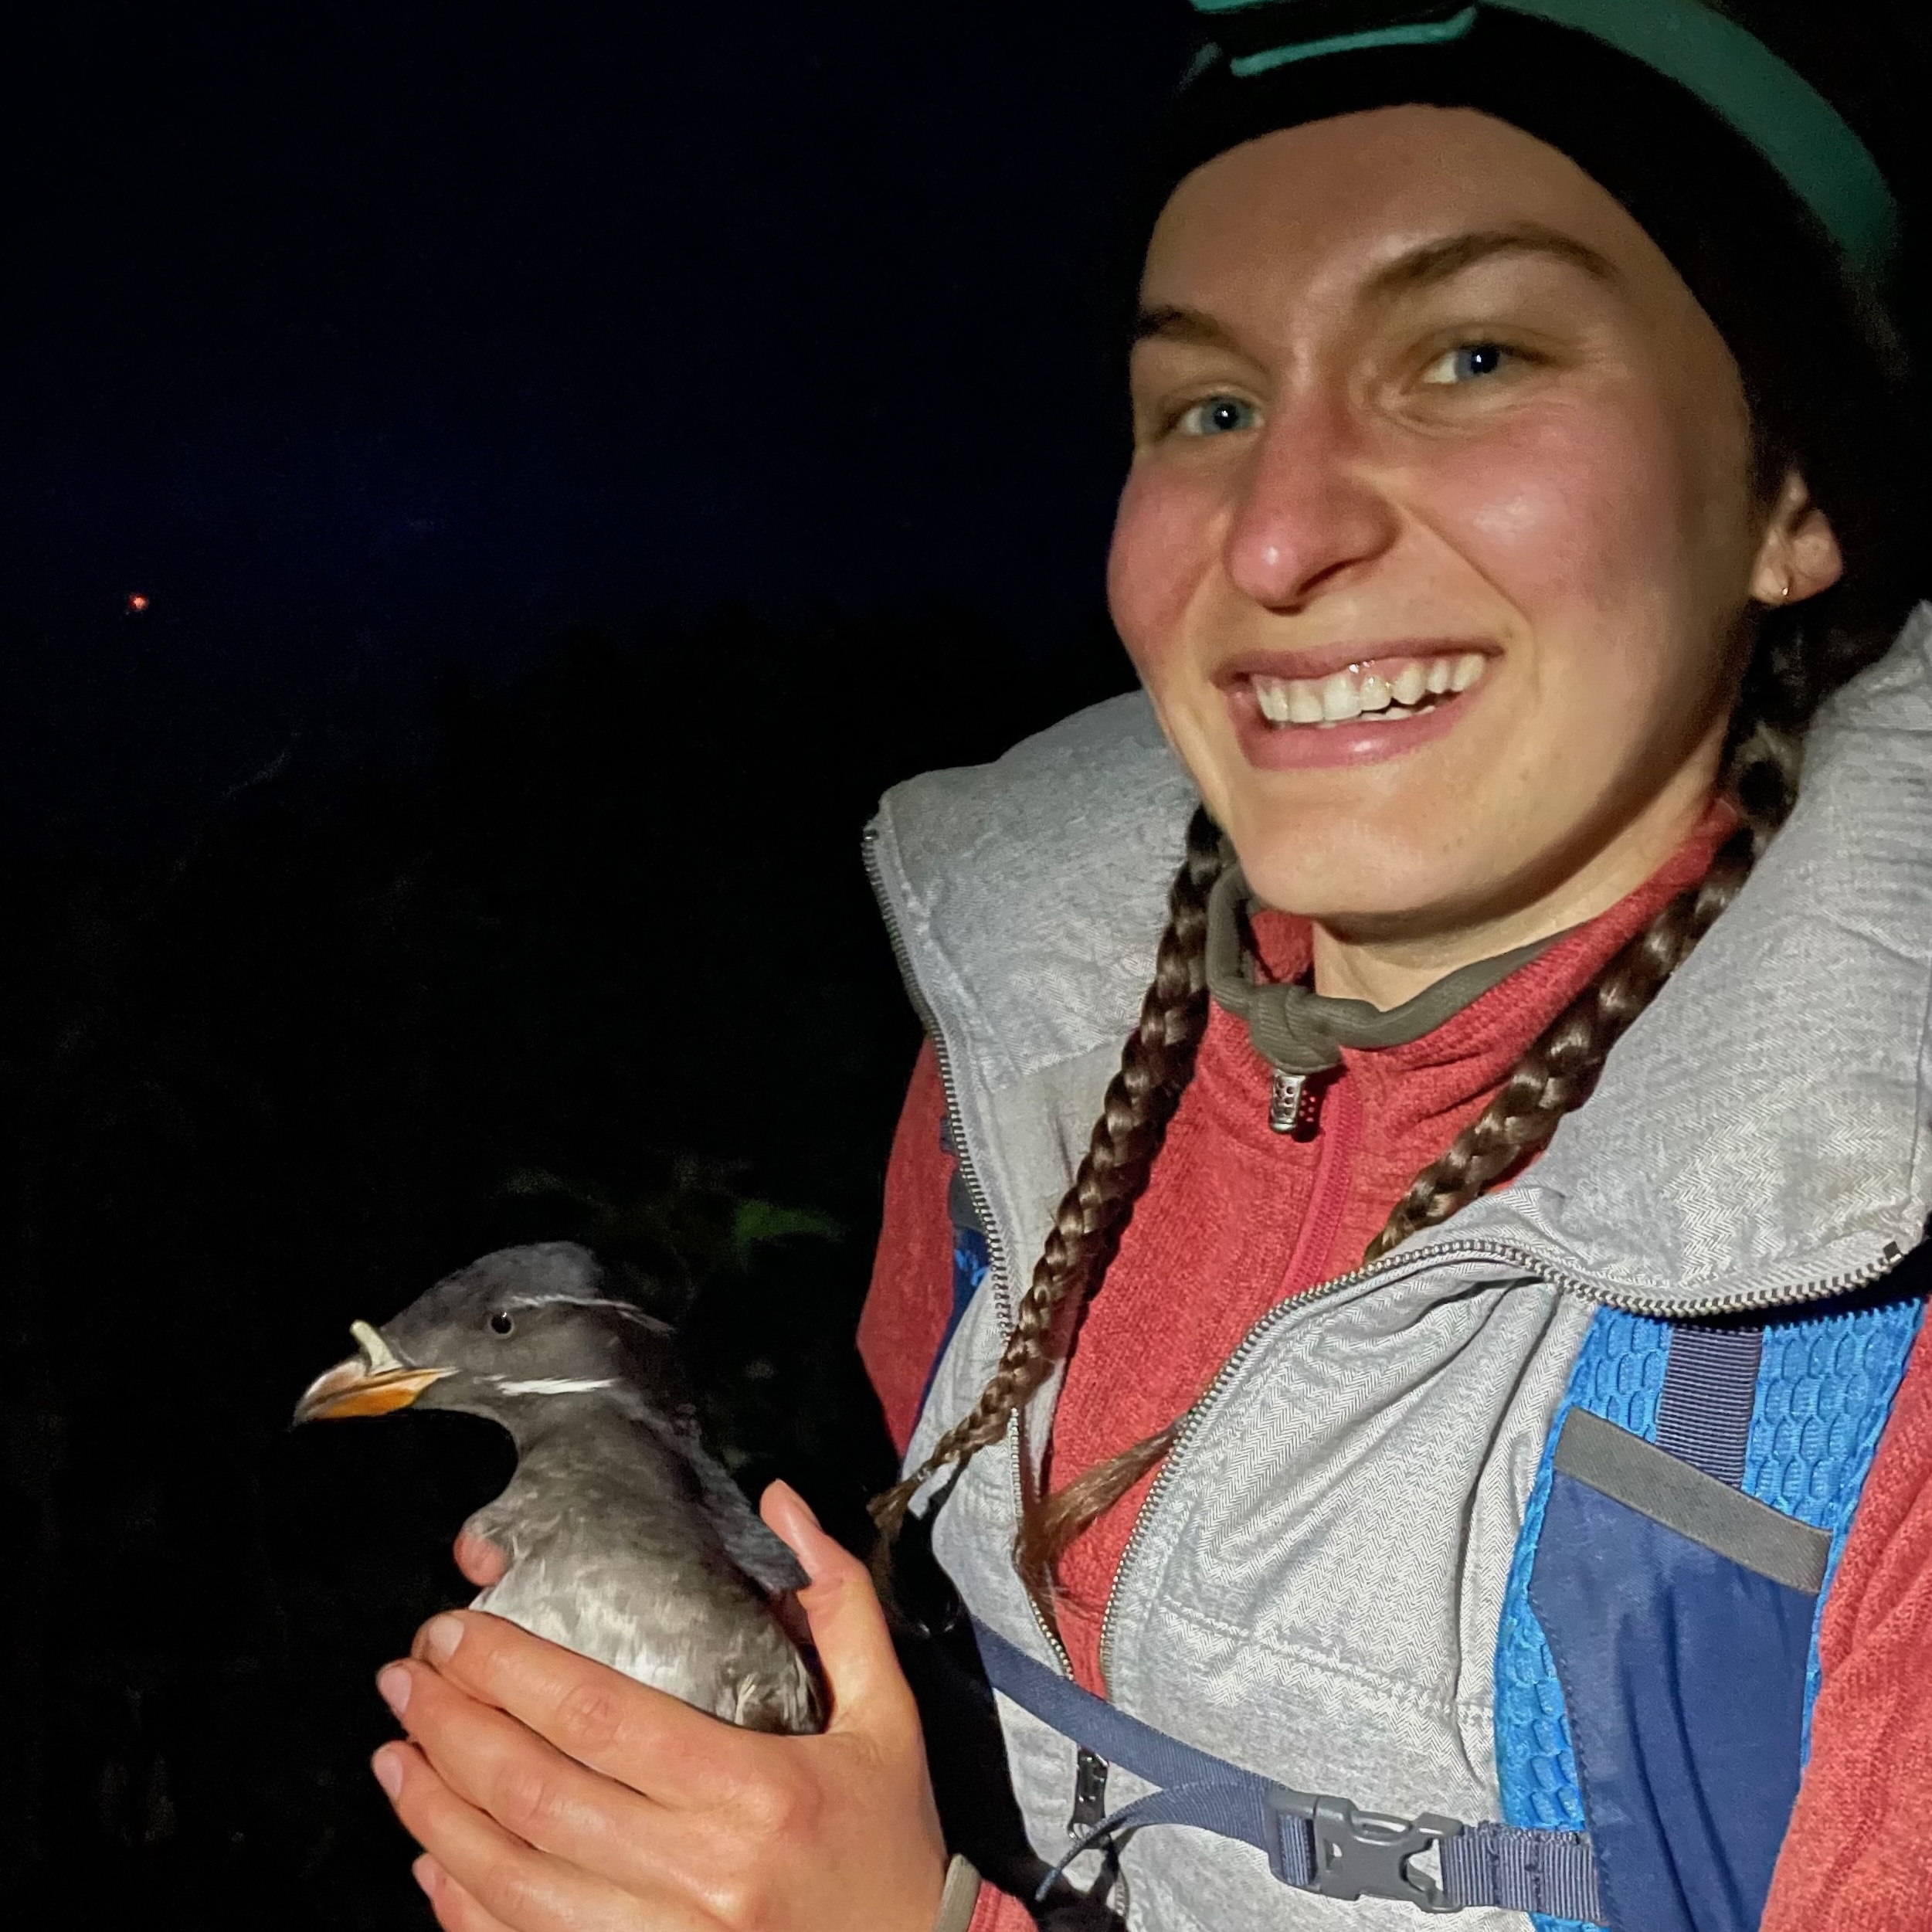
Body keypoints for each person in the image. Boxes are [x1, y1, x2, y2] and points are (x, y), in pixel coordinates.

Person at [358, 4, 1932, 1929]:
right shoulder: (1031, 1027)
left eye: (1470, 355)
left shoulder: (1886, 1297)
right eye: (1208, 407)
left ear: (1796, 496)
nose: (1278, 536)